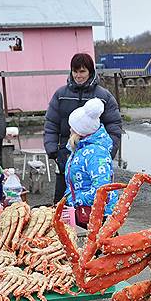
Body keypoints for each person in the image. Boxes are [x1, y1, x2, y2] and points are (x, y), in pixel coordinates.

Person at [44, 53, 123, 203]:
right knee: (61, 201)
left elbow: (114, 126)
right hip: (65, 155)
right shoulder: (60, 95)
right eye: (75, 71)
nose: (78, 76)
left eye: (82, 71)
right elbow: (51, 124)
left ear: (90, 72)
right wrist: (53, 150)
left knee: (94, 199)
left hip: (93, 158)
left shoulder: (104, 96)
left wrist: (108, 152)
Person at [63, 98, 117, 228]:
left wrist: (74, 200)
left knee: (98, 247)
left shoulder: (96, 154)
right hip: (82, 212)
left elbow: (102, 190)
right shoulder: (80, 149)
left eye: (73, 127)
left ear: (80, 131)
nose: (70, 129)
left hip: (98, 216)